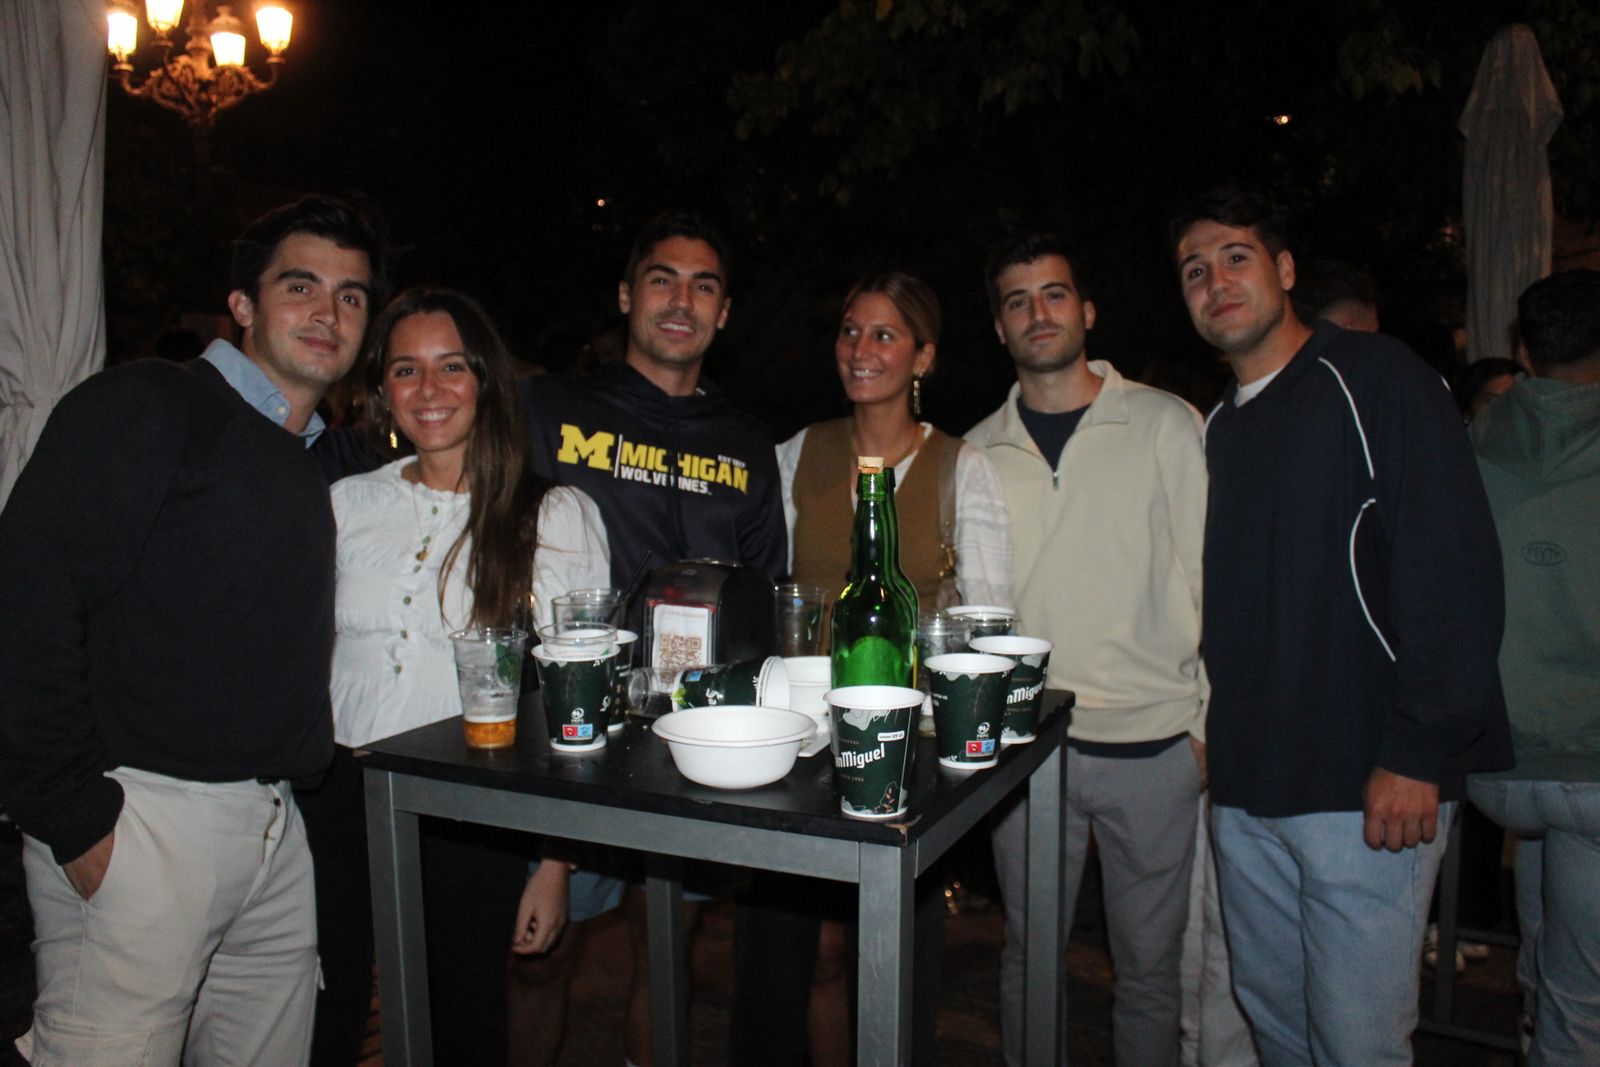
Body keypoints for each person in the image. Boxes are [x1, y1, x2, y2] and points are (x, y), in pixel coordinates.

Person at [0, 194, 388, 1066]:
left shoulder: (308, 458)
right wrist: (75, 816)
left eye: (352, 295)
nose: (329, 312)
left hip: (271, 831)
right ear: (243, 304)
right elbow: (27, 597)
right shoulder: (149, 403)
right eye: (302, 285)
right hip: (146, 824)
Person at [1171, 185, 1512, 1066]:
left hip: (1368, 786)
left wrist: (1417, 749)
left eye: (1236, 257)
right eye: (1195, 271)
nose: (1217, 282)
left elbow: (1455, 567)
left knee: (1358, 1042)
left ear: (1284, 271)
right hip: (1248, 792)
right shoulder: (1214, 428)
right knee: (1277, 1027)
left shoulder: (1376, 377)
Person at [300, 287, 612, 1067]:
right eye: (406, 369)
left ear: (487, 381)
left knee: (462, 1020)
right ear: (381, 390)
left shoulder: (554, 514)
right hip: (333, 794)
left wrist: (553, 862)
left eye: (452, 367)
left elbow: (577, 704)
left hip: (472, 796)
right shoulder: (344, 503)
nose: (429, 390)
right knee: (325, 1012)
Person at [518, 211, 787, 1067]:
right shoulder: (554, 407)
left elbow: (766, 600)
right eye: (663, 279)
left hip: (695, 737)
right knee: (540, 955)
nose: (682, 300)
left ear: (725, 310)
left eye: (704, 285)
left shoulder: (745, 441)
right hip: (575, 732)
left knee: (663, 944)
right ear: (628, 294)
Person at [731, 270, 1013, 1066]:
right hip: (799, 744)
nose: (861, 349)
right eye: (851, 331)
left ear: (923, 355)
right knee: (782, 952)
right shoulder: (796, 455)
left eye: (885, 335)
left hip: (906, 749)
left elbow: (989, 623)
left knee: (887, 956)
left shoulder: (964, 469)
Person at [965, 234, 1210, 1067]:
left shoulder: (1166, 423)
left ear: (1087, 310)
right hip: (1031, 751)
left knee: (1149, 969)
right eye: (1018, 299)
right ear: (999, 327)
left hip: (1157, 742)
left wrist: (1209, 721)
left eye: (1055, 294)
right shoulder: (975, 452)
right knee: (1031, 957)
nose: (1039, 312)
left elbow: (1213, 576)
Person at [1468, 268, 1600, 1067]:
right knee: (1585, 993)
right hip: (1591, 756)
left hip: (1496, 758)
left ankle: (1528, 1014)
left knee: (1550, 861)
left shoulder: (1474, 434)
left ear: (1523, 347)